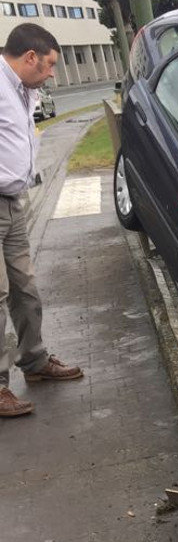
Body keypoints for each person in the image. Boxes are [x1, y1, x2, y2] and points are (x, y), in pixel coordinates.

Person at [0, 23, 83, 418]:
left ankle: (34, 362)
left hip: (15, 202)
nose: (51, 73)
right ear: (29, 56)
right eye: (48, 65)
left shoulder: (24, 90)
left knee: (25, 288)